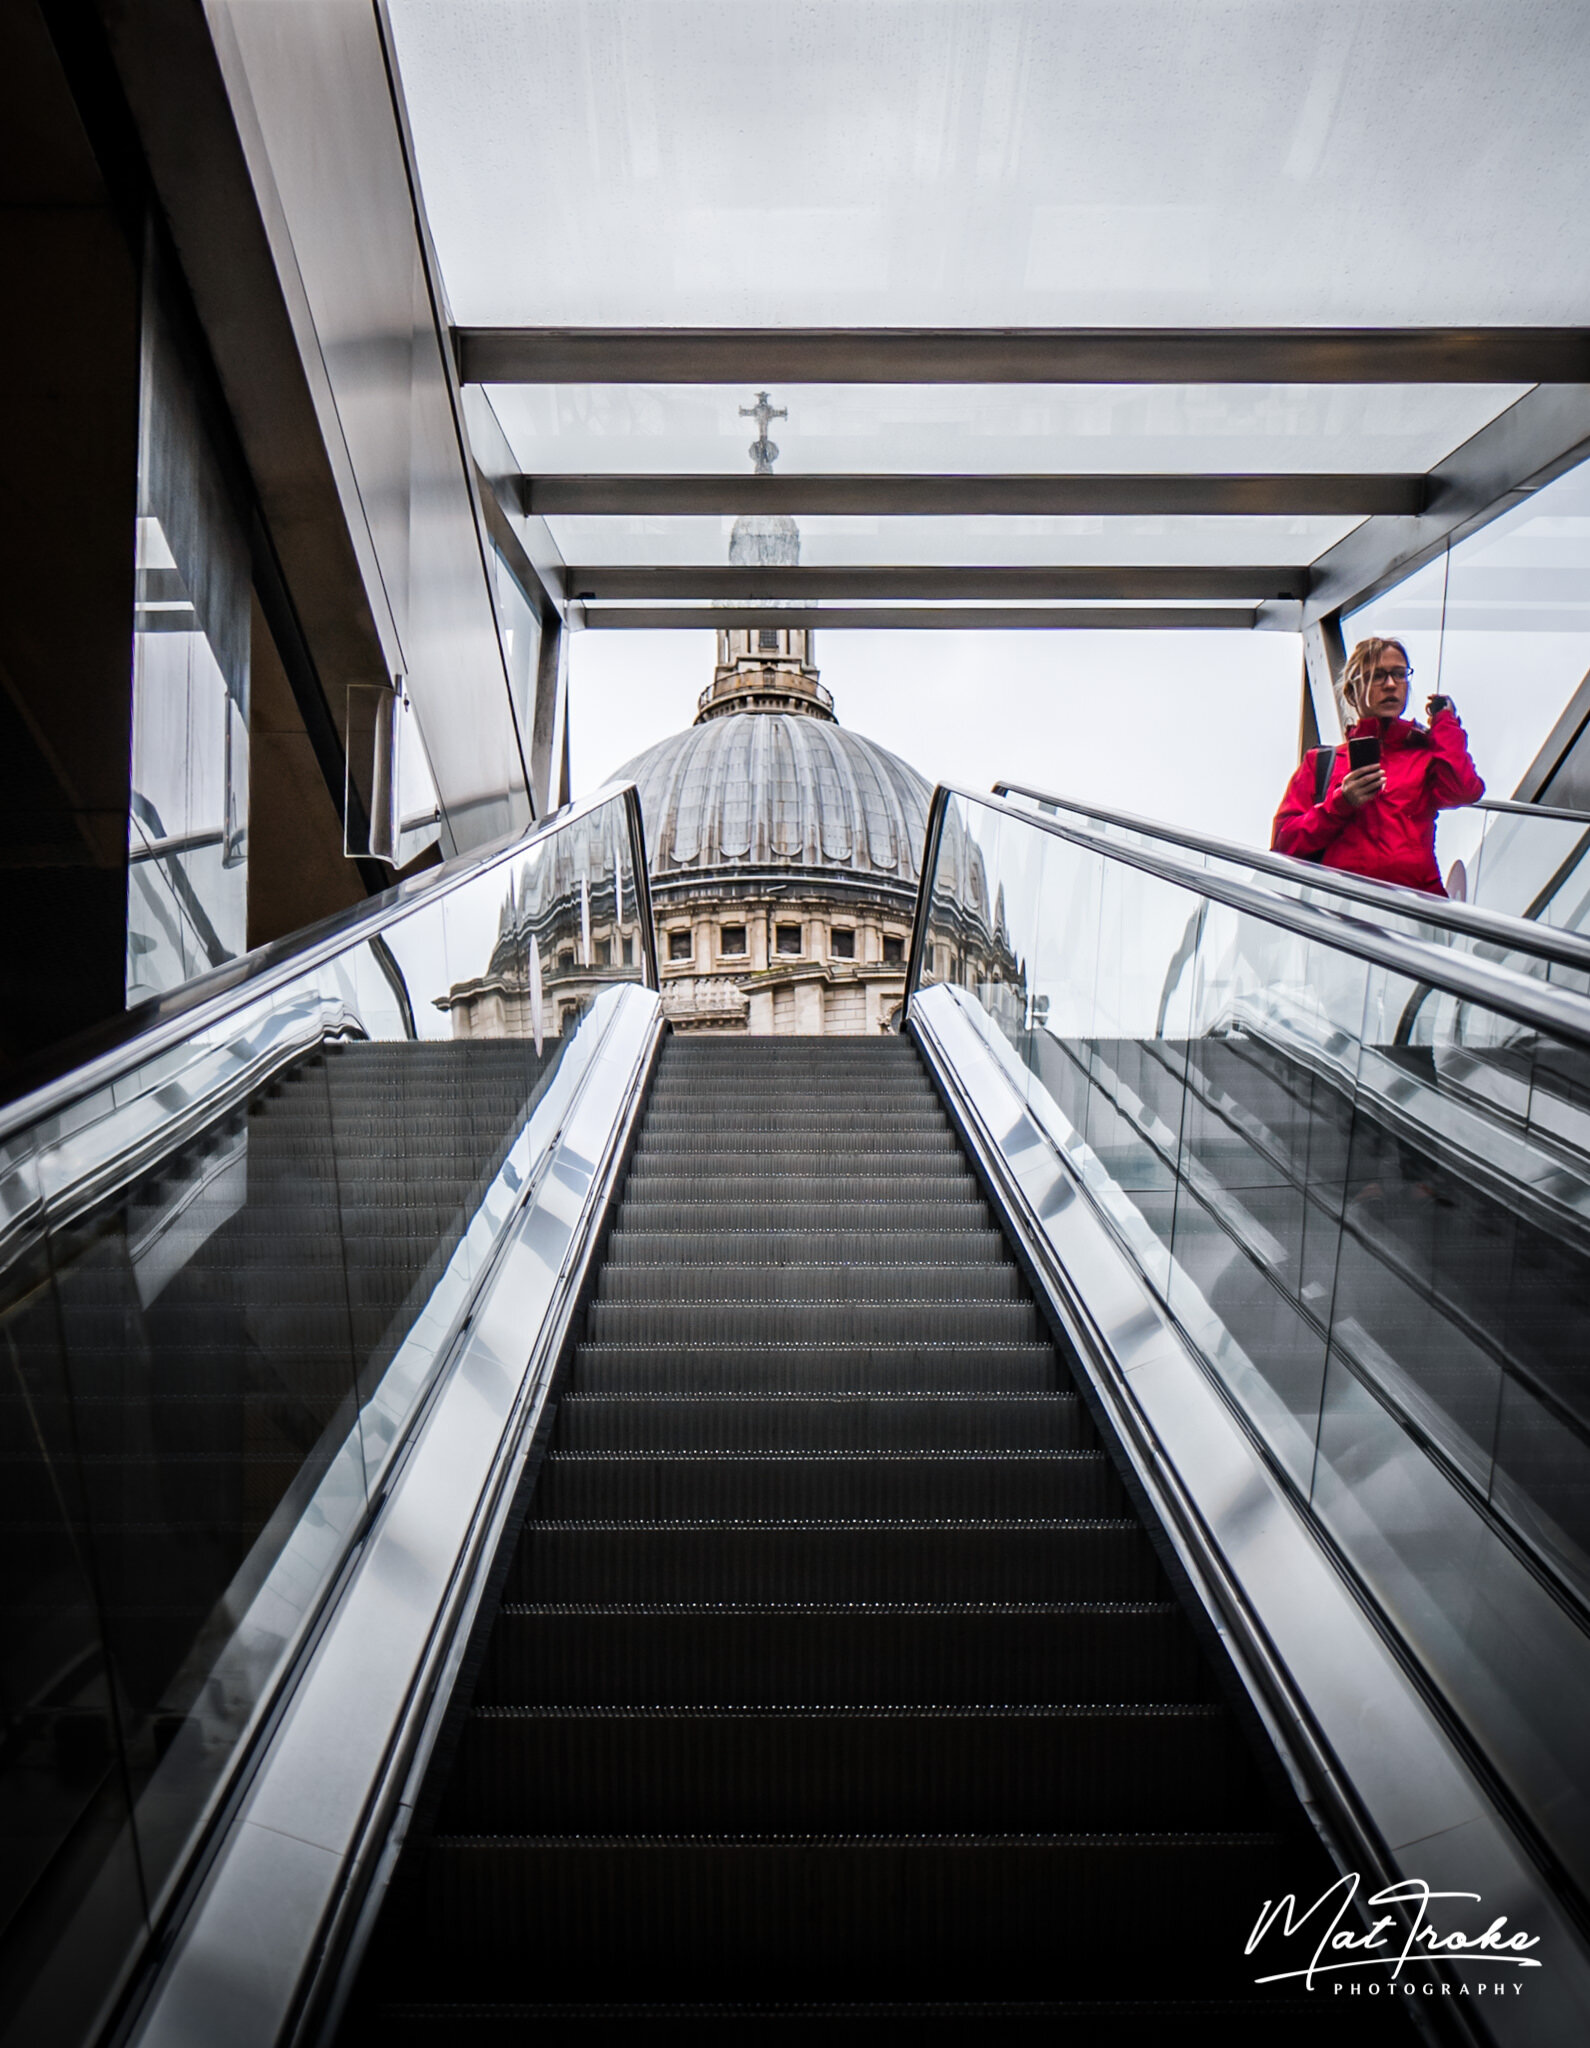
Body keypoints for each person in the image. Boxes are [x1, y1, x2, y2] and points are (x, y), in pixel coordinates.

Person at [1271, 636, 1483, 895]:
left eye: (1399, 674)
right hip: (1341, 910)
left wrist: (1446, 722)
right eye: (1378, 676)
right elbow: (1283, 844)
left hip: (1417, 909)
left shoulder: (1425, 754)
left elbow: (1464, 790)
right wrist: (1340, 803)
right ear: (1352, 692)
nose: (1391, 685)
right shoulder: (1322, 763)